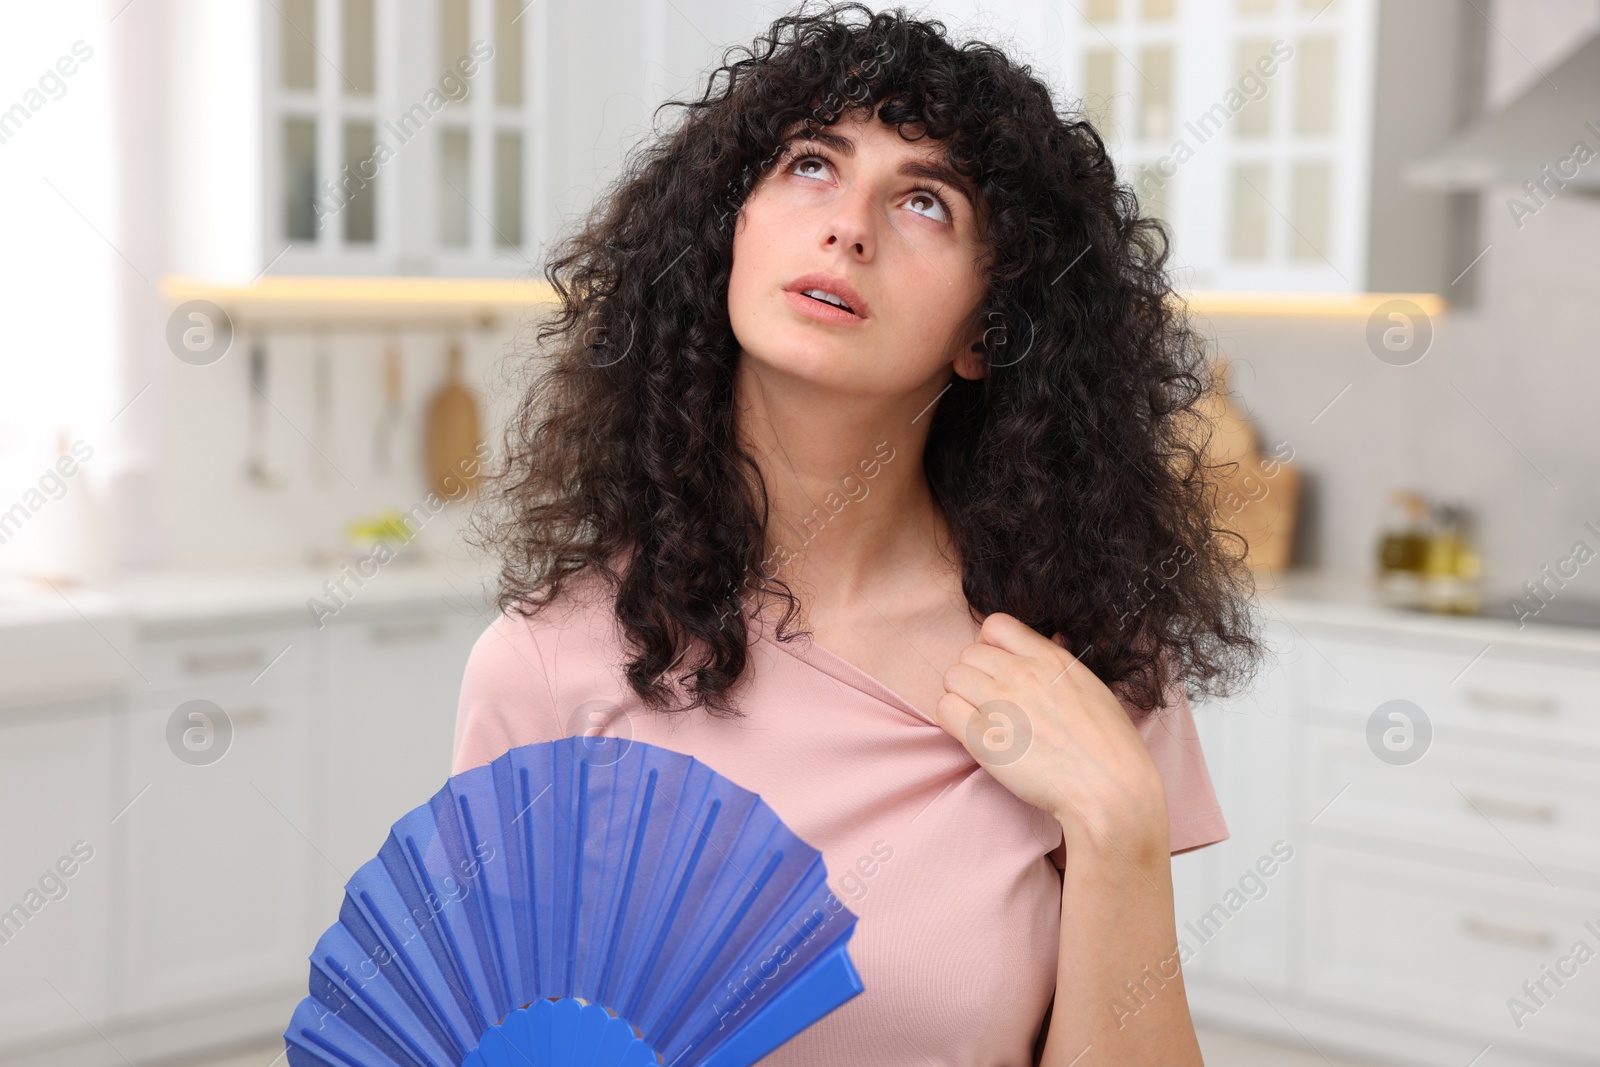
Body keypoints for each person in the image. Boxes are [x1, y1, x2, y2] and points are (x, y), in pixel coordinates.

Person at [455, 3, 1266, 1064]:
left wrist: (1119, 827)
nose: (849, 225)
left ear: (989, 330)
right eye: (809, 166)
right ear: (725, 236)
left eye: (925, 201)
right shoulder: (546, 663)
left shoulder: (1083, 657)